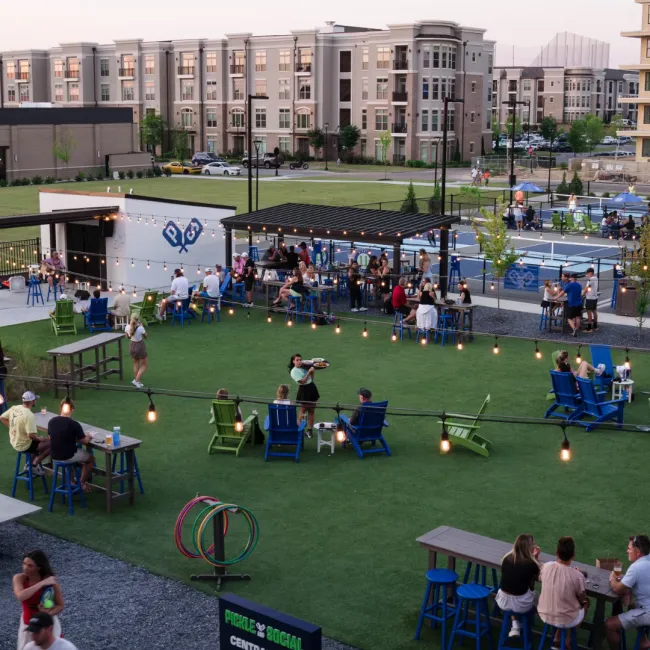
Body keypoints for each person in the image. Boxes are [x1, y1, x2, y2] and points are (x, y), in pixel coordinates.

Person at [538, 536, 590, 649]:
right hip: (566, 619)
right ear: (573, 555)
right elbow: (582, 598)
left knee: (559, 599)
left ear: (556, 552)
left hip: (544, 613)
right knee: (586, 603)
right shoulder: (577, 576)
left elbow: (542, 577)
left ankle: (557, 637)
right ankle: (569, 639)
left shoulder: (546, 567)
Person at [606, 535, 650, 650]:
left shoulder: (636, 567)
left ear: (638, 552)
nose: (627, 551)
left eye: (629, 549)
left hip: (647, 611)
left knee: (610, 625)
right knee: (631, 606)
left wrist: (612, 577)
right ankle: (643, 641)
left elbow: (616, 588)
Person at [13, 551, 64, 650]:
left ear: (39, 567)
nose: (25, 568)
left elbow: (60, 605)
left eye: (30, 566)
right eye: (24, 564)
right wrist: (42, 583)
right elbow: (21, 596)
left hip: (45, 623)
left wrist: (48, 613)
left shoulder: (51, 582)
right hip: (28, 623)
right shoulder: (19, 578)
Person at [496, 534, 541, 638]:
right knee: (535, 595)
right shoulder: (531, 564)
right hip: (521, 604)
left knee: (515, 590)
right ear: (528, 547)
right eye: (533, 544)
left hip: (502, 601)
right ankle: (543, 618)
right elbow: (539, 574)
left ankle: (515, 624)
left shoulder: (506, 558)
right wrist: (536, 557)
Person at [48, 399, 95, 493]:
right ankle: (81, 482)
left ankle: (72, 482)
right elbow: (85, 441)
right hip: (67, 456)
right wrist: (89, 436)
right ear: (72, 410)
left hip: (54, 456)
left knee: (69, 457)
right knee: (91, 459)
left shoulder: (52, 421)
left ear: (61, 408)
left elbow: (50, 437)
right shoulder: (74, 424)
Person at [1, 391, 49, 474]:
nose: (35, 401)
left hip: (14, 441)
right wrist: (39, 439)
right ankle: (33, 465)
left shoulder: (14, 408)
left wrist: (12, 427)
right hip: (24, 445)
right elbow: (31, 435)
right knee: (51, 443)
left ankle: (30, 463)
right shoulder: (29, 415)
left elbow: (2, 417)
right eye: (35, 400)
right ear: (32, 401)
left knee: (39, 440)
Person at [289, 353, 319, 438]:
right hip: (304, 390)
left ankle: (310, 431)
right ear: (293, 361)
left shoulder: (303, 367)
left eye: (300, 360)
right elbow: (303, 381)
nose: (299, 362)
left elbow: (311, 379)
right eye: (297, 360)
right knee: (302, 410)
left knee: (312, 411)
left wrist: (312, 372)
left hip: (311, 388)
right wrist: (309, 372)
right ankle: (299, 429)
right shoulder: (294, 371)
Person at [557, 273, 583, 337]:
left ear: (571, 278)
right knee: (578, 317)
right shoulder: (579, 285)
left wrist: (556, 297)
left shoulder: (569, 285)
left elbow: (562, 292)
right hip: (579, 303)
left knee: (569, 318)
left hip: (572, 304)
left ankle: (574, 329)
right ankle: (576, 329)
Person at [125, 315, 148, 388]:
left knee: (135, 363)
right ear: (138, 319)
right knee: (144, 365)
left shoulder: (127, 327)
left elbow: (127, 337)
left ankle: (137, 382)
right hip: (140, 346)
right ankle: (136, 380)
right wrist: (141, 326)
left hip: (132, 345)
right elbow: (146, 336)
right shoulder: (140, 328)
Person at [583, 268, 599, 333]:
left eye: (587, 273)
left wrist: (582, 294)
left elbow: (587, 288)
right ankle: (595, 326)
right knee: (594, 311)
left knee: (589, 312)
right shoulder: (596, 278)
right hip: (595, 297)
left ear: (590, 273)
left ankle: (589, 328)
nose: (587, 274)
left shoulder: (591, 279)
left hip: (590, 297)